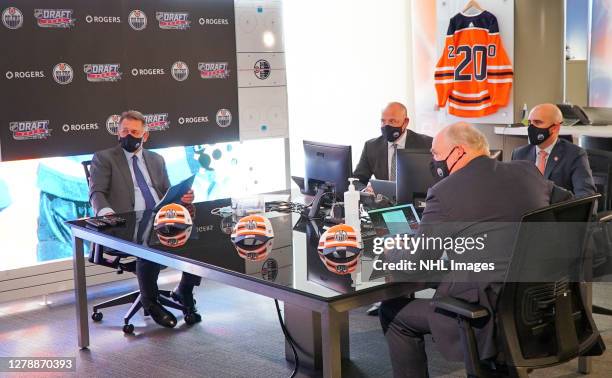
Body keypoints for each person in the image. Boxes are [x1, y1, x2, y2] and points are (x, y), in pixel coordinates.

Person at [379, 122, 557, 377]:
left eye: (437, 154)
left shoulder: (444, 192)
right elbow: (574, 206)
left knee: (393, 311)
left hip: (484, 313)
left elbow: (415, 263)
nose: (434, 161)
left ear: (460, 152)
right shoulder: (528, 172)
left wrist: (390, 249)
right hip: (535, 304)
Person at [89, 110, 202, 328]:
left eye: (134, 132)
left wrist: (184, 197)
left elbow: (167, 193)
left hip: (158, 219)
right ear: (118, 133)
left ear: (145, 136)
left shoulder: (156, 159)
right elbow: (97, 193)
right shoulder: (104, 158)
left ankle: (184, 291)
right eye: (124, 131)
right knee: (147, 244)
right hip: (126, 224)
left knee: (195, 238)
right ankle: (151, 303)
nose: (128, 136)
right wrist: (106, 214)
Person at [511, 103, 596, 198]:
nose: (531, 128)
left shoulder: (575, 155)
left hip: (557, 211)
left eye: (538, 122)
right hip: (527, 211)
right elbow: (511, 191)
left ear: (555, 128)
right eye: (530, 123)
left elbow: (586, 197)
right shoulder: (519, 154)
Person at [353, 102, 433, 187]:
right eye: (383, 121)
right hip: (383, 199)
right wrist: (365, 190)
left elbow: (438, 181)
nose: (386, 126)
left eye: (392, 121)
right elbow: (356, 180)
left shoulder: (427, 144)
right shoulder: (371, 147)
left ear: (405, 122)